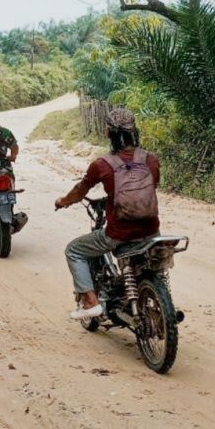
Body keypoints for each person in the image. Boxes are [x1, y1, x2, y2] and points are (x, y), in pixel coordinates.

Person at [54, 107, 161, 320]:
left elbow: (80, 191)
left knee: (74, 250)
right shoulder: (151, 159)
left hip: (119, 234)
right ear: (134, 131)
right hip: (152, 231)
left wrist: (63, 201)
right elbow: (152, 186)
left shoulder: (102, 165)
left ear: (107, 133)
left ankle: (90, 303)